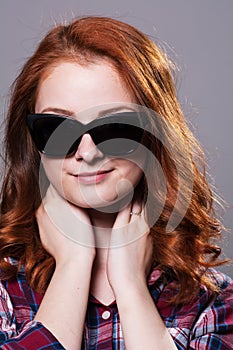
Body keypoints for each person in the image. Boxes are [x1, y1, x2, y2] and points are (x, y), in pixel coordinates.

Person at [0, 15, 232, 350]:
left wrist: (130, 287)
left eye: (113, 128)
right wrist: (73, 268)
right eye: (57, 129)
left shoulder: (214, 303)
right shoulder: (6, 290)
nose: (87, 152)